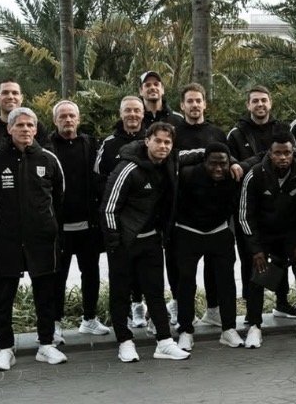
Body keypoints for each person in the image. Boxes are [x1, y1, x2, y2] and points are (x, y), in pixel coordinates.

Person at [0, 107, 67, 370]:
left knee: (45, 294)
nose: (25, 129)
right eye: (20, 125)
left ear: (36, 130)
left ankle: (46, 345)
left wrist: (45, 222)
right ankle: (5, 348)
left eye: (30, 125)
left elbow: (59, 196)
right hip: (4, 240)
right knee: (1, 296)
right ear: (9, 129)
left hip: (42, 239)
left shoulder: (48, 159)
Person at [100, 121, 191, 362]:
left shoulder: (170, 162)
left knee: (155, 293)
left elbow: (198, 154)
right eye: (158, 141)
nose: (163, 146)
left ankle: (164, 342)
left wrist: (233, 161)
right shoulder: (127, 168)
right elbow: (108, 209)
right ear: (147, 140)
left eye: (167, 142)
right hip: (124, 242)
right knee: (120, 295)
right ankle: (125, 342)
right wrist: (115, 244)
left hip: (151, 240)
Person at [238, 130, 296, 347]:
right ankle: (255, 326)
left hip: (293, 234)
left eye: (287, 153)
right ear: (270, 153)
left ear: (293, 152)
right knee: (258, 276)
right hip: (264, 235)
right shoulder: (255, 175)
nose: (283, 157)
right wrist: (256, 249)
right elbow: (246, 216)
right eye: (278, 153)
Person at [226, 85, 296, 319]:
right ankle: (252, 309)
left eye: (263, 100)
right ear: (248, 105)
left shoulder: (282, 129)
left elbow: (293, 156)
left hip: (279, 206)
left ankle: (281, 302)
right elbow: (232, 164)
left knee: (280, 257)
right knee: (251, 258)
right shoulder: (236, 133)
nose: (260, 104)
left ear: (270, 103)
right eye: (255, 101)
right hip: (248, 206)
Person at [46, 100, 109, 342]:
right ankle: (54, 323)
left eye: (72, 115)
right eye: (63, 116)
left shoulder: (91, 144)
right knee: (57, 277)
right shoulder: (47, 146)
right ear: (55, 120)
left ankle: (89, 319)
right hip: (59, 227)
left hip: (88, 225)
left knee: (90, 273)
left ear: (79, 119)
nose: (68, 120)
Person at [173, 142, 244, 350]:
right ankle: (186, 331)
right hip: (188, 231)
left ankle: (229, 329)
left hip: (219, 232)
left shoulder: (234, 174)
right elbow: (170, 160)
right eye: (213, 163)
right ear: (204, 162)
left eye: (223, 163)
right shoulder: (187, 175)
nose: (218, 168)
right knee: (186, 282)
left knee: (227, 282)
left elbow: (259, 158)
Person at [95, 95, 149, 329]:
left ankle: (139, 306)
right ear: (120, 114)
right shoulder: (108, 144)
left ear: (143, 113)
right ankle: (123, 312)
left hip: (145, 217)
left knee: (144, 268)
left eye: (137, 110)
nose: (132, 114)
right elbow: (98, 177)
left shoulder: (151, 139)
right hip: (117, 216)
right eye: (128, 110)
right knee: (120, 267)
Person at [0, 80, 47, 149]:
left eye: (15, 93)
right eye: (5, 93)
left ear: (21, 98)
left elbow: (46, 154)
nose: (10, 97)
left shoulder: (37, 128)